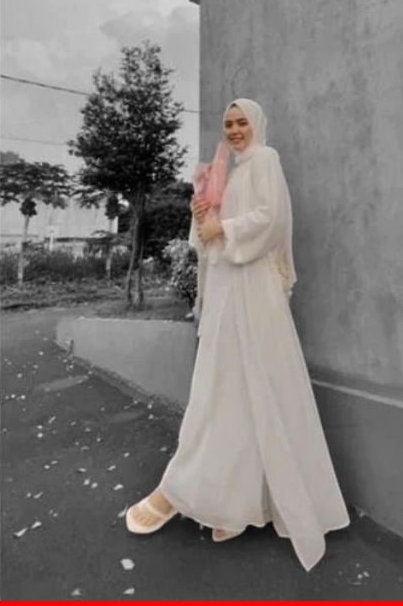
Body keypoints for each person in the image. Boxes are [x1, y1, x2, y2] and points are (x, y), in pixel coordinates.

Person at [126, 98, 350, 571]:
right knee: (227, 388)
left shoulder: (265, 159)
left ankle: (214, 496)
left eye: (241, 121)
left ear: (257, 124)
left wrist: (220, 225)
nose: (234, 130)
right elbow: (206, 239)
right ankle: (231, 501)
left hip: (254, 291)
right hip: (228, 287)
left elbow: (271, 219)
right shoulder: (226, 171)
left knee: (253, 386)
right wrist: (201, 213)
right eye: (228, 123)